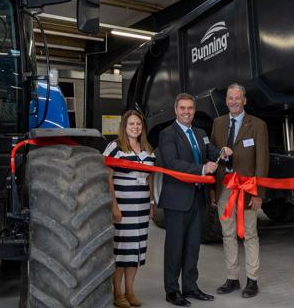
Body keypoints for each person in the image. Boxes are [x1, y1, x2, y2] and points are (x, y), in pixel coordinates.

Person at [157, 93, 231, 307]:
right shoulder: (167, 134)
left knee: (192, 246)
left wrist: (222, 152)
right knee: (175, 247)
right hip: (177, 200)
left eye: (190, 108)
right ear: (176, 110)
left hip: (198, 199)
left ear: (194, 110)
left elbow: (211, 152)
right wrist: (201, 169)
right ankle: (172, 291)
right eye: (182, 108)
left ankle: (190, 286)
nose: (186, 112)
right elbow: (171, 163)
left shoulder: (200, 133)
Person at [210, 83, 268, 298]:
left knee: (250, 234)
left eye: (237, 98)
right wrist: (212, 189)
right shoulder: (218, 123)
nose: (233, 101)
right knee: (228, 234)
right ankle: (232, 278)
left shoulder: (258, 125)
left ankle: (252, 280)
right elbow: (212, 155)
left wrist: (259, 193)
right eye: (230, 98)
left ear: (244, 100)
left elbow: (262, 161)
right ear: (226, 101)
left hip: (247, 189)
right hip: (224, 186)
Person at [104, 110, 157, 308]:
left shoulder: (148, 149)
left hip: (141, 208)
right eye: (131, 124)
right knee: (122, 251)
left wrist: (151, 204)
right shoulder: (115, 148)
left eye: (138, 124)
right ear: (124, 127)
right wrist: (114, 206)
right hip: (123, 208)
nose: (135, 127)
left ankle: (130, 291)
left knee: (136, 250)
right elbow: (107, 178)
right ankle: (117, 293)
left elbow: (150, 178)